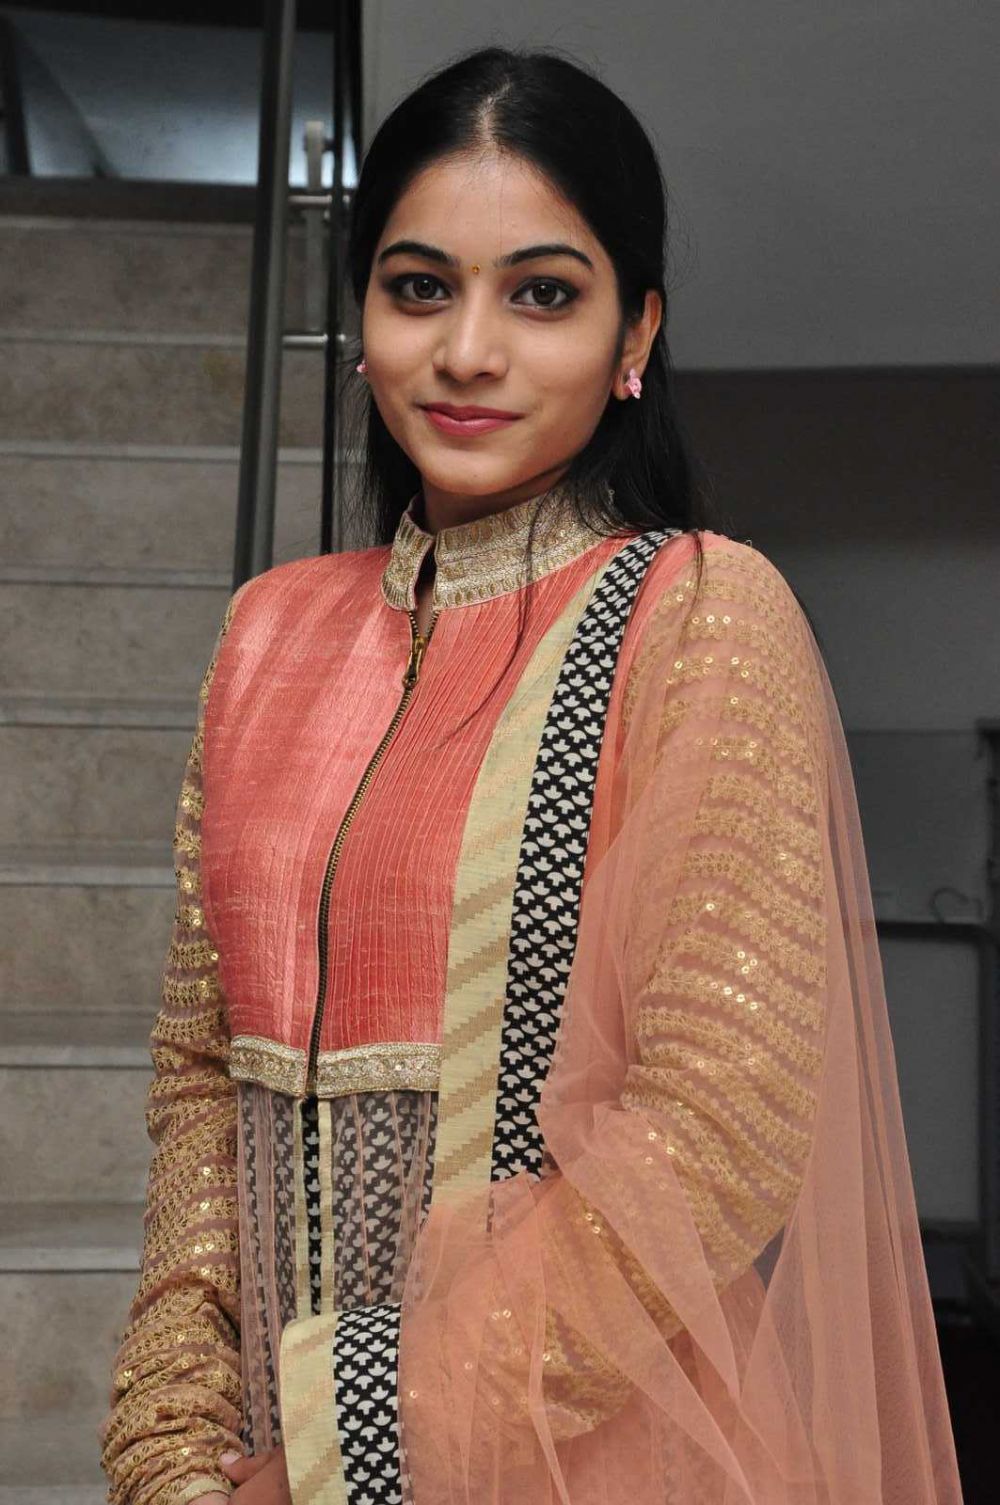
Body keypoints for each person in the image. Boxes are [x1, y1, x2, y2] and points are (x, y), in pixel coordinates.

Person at [100, 43, 964, 1505]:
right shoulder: (268, 635)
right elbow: (202, 1074)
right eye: (418, 286)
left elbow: (717, 1131)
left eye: (543, 294)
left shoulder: (695, 614)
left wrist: (345, 1453)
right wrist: (171, 1446)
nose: (468, 350)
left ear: (638, 332)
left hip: (584, 1458)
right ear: (363, 317)